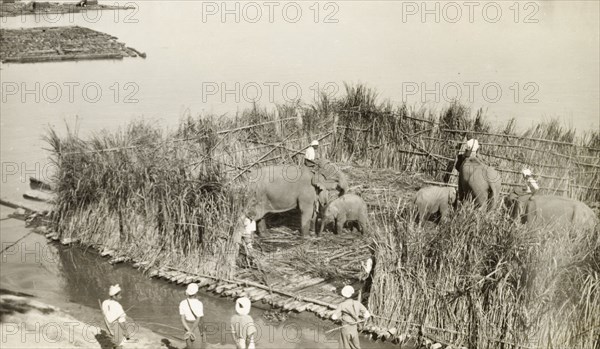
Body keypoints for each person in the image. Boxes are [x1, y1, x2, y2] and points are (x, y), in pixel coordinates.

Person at [101, 284, 133, 349]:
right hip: (115, 331)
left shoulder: (104, 302)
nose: (121, 297)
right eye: (119, 295)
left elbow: (106, 314)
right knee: (119, 344)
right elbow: (122, 323)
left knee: (115, 342)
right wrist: (127, 334)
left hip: (108, 329)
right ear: (114, 296)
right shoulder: (118, 306)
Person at [180, 283, 205, 349]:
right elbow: (198, 319)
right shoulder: (199, 303)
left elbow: (182, 319)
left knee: (189, 346)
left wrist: (188, 330)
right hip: (196, 327)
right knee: (197, 345)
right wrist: (192, 330)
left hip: (187, 326)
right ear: (196, 293)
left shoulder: (182, 303)